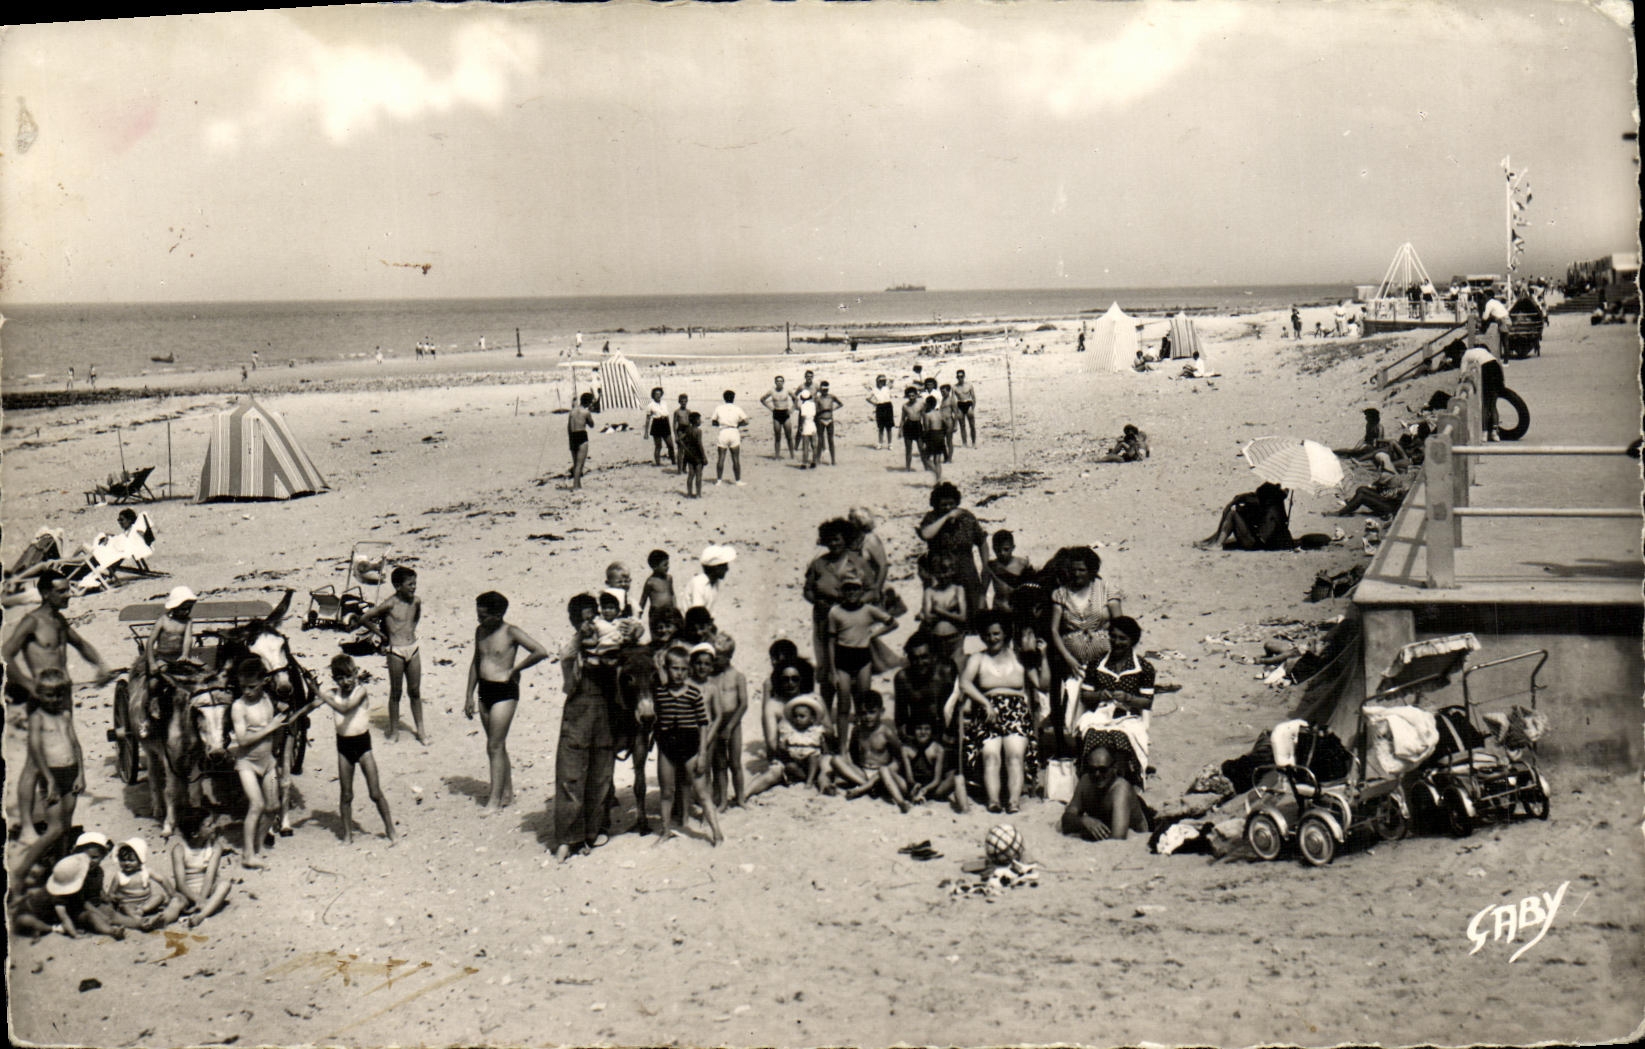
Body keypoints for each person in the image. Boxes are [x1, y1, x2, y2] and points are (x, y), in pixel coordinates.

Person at [3, 569, 111, 844]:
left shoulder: (58, 620)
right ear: (46, 593)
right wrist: (29, 686)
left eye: (67, 589)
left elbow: (80, 643)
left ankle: (60, 822)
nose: (68, 595)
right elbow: (6, 654)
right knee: (34, 761)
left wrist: (99, 664)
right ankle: (28, 827)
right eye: (62, 591)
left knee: (65, 747)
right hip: (41, 697)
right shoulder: (32, 621)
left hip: (62, 695)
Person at [952, 610, 1048, 814]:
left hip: (1016, 713)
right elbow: (965, 683)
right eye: (987, 635)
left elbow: (1042, 685)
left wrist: (1044, 656)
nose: (991, 638)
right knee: (991, 756)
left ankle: (1013, 802)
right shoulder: (978, 658)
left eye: (996, 633)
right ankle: (994, 801)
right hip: (988, 713)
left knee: (1014, 755)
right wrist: (985, 703)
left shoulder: (1019, 657)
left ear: (1005, 634)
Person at [552, 594, 623, 859]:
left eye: (592, 618)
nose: (588, 625)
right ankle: (567, 837)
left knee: (601, 773)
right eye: (582, 621)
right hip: (578, 712)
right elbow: (569, 686)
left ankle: (593, 831)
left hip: (605, 712)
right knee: (570, 774)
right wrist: (579, 654)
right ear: (572, 621)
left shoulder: (610, 640)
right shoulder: (570, 648)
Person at [466, 591, 548, 816]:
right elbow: (476, 661)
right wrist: (468, 695)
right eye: (478, 614)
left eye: (483, 616)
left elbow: (541, 651)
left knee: (493, 745)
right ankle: (507, 793)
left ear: (499, 614)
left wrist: (515, 669)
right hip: (484, 689)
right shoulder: (480, 631)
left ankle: (494, 800)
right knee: (497, 745)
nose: (479, 619)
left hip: (505, 691)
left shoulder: (511, 632)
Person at [312, 654, 396, 843]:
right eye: (340, 678)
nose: (346, 681)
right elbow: (311, 706)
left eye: (349, 676)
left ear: (356, 673)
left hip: (363, 746)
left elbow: (346, 709)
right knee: (346, 795)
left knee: (375, 793)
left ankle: (390, 829)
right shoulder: (333, 694)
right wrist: (306, 704)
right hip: (343, 747)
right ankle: (348, 835)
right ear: (335, 679)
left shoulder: (360, 692)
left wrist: (323, 696)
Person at [9, 669, 84, 880]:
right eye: (49, 695)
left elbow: (76, 745)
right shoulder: (37, 718)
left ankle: (60, 866)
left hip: (70, 773)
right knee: (55, 828)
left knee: (66, 825)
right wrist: (49, 780)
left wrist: (81, 775)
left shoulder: (65, 715)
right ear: (39, 696)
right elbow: (36, 749)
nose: (54, 700)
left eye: (59, 695)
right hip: (52, 776)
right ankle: (21, 870)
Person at [1047, 546, 1124, 746]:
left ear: (1091, 570)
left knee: (1105, 707)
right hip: (1075, 663)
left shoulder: (1106, 589)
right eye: (1073, 569)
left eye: (1082, 570)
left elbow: (1120, 624)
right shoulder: (1061, 594)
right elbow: (1054, 631)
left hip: (1104, 659)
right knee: (1074, 701)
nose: (1077, 574)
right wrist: (1069, 659)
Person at [1072, 615, 1155, 793]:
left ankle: (1121, 787)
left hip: (1127, 717)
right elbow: (1085, 696)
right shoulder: (1096, 664)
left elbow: (1147, 702)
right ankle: (1094, 787)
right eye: (1114, 636)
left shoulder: (1144, 668)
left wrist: (1128, 698)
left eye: (1122, 638)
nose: (1117, 642)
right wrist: (1100, 695)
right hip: (1100, 716)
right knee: (1094, 737)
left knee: (1120, 740)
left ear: (1133, 641)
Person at [652, 643, 724, 846]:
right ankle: (666, 831)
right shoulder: (660, 693)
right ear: (667, 669)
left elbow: (703, 724)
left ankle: (717, 833)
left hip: (691, 746)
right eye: (675, 668)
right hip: (667, 748)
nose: (680, 674)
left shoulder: (694, 694)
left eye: (684, 669)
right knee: (667, 792)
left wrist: (702, 753)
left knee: (702, 793)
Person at [230, 660, 299, 869]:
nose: (247, 691)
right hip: (247, 763)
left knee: (273, 807)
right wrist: (271, 727)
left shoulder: (267, 700)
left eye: (252, 687)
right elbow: (242, 740)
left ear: (264, 682)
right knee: (257, 805)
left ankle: (256, 847)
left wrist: (282, 710)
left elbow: (277, 715)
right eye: (243, 687)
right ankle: (247, 854)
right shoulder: (238, 706)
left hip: (268, 762)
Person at [803, 519, 873, 715]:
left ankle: (859, 717)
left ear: (846, 540)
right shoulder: (819, 564)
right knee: (826, 672)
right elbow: (807, 590)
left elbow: (873, 591)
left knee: (854, 672)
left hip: (851, 623)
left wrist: (853, 603)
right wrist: (816, 602)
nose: (834, 544)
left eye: (838, 540)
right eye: (830, 540)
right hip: (824, 623)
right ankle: (825, 717)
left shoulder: (858, 562)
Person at [827, 576, 898, 757]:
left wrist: (873, 635)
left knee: (863, 703)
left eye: (855, 589)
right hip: (843, 658)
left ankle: (861, 742)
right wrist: (832, 670)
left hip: (862, 659)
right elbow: (831, 641)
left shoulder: (868, 610)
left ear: (861, 591)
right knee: (843, 705)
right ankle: (843, 746)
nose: (851, 593)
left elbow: (893, 622)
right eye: (848, 589)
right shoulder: (835, 612)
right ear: (843, 592)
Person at [360, 566, 427, 745]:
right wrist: (381, 634)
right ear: (398, 586)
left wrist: (410, 631)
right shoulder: (390, 604)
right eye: (410, 584)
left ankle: (420, 730)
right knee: (396, 692)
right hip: (395, 651)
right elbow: (364, 618)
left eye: (415, 583)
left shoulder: (416, 602)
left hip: (412, 647)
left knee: (415, 691)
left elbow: (415, 618)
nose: (414, 587)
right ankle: (394, 730)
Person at [916, 482, 991, 624]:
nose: (948, 507)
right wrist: (945, 518)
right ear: (936, 505)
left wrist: (986, 566)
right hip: (941, 566)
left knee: (975, 609)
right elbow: (926, 534)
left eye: (951, 504)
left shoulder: (967, 517)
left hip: (965, 563)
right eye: (944, 505)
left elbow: (981, 541)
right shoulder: (932, 518)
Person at [833, 692, 911, 811]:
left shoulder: (886, 732)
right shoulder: (857, 731)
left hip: (882, 775)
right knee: (836, 760)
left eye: (872, 712)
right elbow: (853, 753)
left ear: (882, 712)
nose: (867, 717)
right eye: (863, 713)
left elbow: (899, 757)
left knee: (884, 771)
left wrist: (885, 771)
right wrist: (858, 769)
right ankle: (867, 786)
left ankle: (867, 787)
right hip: (863, 773)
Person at [746, 693, 830, 797]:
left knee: (813, 758)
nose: (798, 719)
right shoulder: (789, 731)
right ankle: (802, 778)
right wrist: (785, 749)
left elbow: (824, 747)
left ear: (811, 719)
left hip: (811, 762)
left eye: (802, 716)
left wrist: (823, 752)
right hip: (795, 760)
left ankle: (811, 782)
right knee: (790, 766)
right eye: (795, 716)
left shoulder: (815, 731)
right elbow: (781, 746)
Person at [1060, 743, 1149, 842]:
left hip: (1141, 820)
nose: (1097, 774)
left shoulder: (1120, 791)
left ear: (1114, 768)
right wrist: (1084, 821)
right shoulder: (1086, 781)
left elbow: (1117, 839)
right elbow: (1066, 821)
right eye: (1092, 769)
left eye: (1103, 770)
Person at [168, 812, 233, 927]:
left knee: (225, 885)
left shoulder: (215, 847)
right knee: (175, 904)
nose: (214, 827)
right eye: (209, 825)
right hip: (186, 892)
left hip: (207, 889)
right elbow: (181, 883)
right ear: (194, 833)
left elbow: (209, 877)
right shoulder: (179, 850)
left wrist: (202, 899)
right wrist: (195, 898)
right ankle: (162, 919)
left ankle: (200, 916)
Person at [708, 633, 748, 810]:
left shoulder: (738, 676)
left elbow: (744, 704)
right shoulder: (710, 677)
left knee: (735, 763)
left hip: (733, 722)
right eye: (713, 657)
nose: (715, 661)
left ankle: (740, 798)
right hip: (716, 723)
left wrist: (731, 726)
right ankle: (723, 800)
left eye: (718, 657)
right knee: (719, 764)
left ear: (729, 656)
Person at [1196, 482, 1293, 551]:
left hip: (1255, 543)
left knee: (1233, 513)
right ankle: (1213, 540)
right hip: (1264, 542)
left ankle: (1217, 544)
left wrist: (1237, 502)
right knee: (1237, 512)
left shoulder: (1269, 501)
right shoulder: (1277, 504)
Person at [106, 837, 174, 930]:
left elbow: (162, 880)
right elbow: (110, 894)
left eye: (131, 860)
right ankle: (141, 921)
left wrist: (171, 894)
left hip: (146, 903)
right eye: (123, 860)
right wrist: (116, 898)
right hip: (129, 903)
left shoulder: (146, 872)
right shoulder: (119, 876)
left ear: (140, 860)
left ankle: (142, 912)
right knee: (125, 908)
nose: (127, 863)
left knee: (159, 897)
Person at [918, 554, 969, 674]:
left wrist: (940, 611)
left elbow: (963, 617)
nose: (944, 576)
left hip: (955, 637)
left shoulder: (958, 589)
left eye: (946, 571)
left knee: (958, 669)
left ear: (953, 571)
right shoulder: (929, 591)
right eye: (940, 572)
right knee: (938, 671)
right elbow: (928, 618)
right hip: (936, 638)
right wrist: (951, 612)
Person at [904, 719, 958, 806]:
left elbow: (937, 780)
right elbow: (909, 777)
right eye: (919, 728)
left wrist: (925, 789)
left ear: (932, 730)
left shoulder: (938, 749)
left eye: (927, 729)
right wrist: (915, 784)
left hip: (933, 788)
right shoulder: (906, 749)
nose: (923, 732)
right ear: (913, 730)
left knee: (956, 775)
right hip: (914, 786)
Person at [1462, 342, 1506, 440]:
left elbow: (1463, 375)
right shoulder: (1484, 351)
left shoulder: (1465, 355)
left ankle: (1484, 433)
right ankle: (1495, 433)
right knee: (1493, 404)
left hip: (1486, 369)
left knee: (1485, 404)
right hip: (1496, 368)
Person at [985, 530, 1033, 620]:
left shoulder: (1022, 564)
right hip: (999, 608)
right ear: (993, 549)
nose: (1002, 553)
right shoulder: (991, 566)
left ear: (1013, 547)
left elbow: (1030, 589)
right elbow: (982, 592)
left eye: (1006, 549)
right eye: (998, 550)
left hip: (1019, 609)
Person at [847, 507, 889, 602]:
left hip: (871, 588)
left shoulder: (871, 540)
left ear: (861, 521)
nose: (848, 522)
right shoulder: (850, 539)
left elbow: (883, 566)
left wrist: (877, 589)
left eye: (852, 519)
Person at [709, 390, 750, 486]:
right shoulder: (737, 408)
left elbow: (713, 422)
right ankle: (738, 480)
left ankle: (719, 480)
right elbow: (746, 421)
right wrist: (738, 424)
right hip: (734, 431)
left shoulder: (719, 408)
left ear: (724, 398)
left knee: (721, 458)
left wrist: (720, 424)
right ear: (733, 398)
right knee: (735, 458)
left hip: (723, 432)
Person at [684, 544, 735, 613]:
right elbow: (698, 613)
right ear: (715, 567)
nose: (727, 569)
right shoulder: (699, 583)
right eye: (724, 566)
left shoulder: (715, 582)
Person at [638, 549, 677, 635]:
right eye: (665, 565)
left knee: (670, 632)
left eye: (668, 564)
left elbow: (672, 594)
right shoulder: (650, 582)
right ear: (655, 567)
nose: (668, 567)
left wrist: (675, 607)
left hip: (668, 611)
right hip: (655, 612)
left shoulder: (669, 578)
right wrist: (638, 615)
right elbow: (643, 599)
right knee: (657, 633)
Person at [759, 376, 797, 459]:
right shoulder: (772, 391)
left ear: (783, 382)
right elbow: (762, 399)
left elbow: (796, 399)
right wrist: (771, 408)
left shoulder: (787, 390)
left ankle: (792, 455)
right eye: (777, 381)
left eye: (781, 381)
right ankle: (777, 455)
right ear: (775, 382)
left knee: (789, 436)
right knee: (777, 436)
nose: (779, 383)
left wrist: (792, 409)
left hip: (785, 413)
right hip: (777, 413)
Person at [568, 392, 596, 490]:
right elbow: (592, 425)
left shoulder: (572, 412)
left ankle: (578, 485)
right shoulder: (586, 412)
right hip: (581, 435)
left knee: (576, 464)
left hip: (572, 435)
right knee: (580, 465)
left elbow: (568, 427)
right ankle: (576, 486)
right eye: (591, 402)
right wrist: (590, 414)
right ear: (588, 402)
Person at [813, 381, 844, 466]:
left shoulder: (831, 397)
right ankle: (818, 459)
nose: (825, 391)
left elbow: (840, 404)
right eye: (823, 389)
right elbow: (814, 409)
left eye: (826, 389)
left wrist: (832, 409)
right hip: (820, 419)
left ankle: (833, 460)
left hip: (830, 419)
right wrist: (821, 411)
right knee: (820, 440)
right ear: (820, 389)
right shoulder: (818, 398)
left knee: (831, 440)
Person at [644, 387, 676, 467]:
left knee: (670, 445)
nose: (658, 396)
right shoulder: (650, 405)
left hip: (665, 423)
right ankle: (658, 463)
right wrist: (646, 432)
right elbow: (648, 419)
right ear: (653, 395)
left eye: (659, 394)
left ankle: (673, 461)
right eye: (656, 394)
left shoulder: (664, 403)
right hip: (657, 424)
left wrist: (669, 427)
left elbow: (667, 415)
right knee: (658, 446)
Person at [679, 411, 707, 497]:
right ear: (696, 421)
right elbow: (699, 444)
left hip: (689, 454)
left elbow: (679, 439)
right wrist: (704, 457)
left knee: (691, 474)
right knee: (698, 475)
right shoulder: (698, 431)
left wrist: (685, 448)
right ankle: (698, 494)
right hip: (697, 454)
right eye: (699, 419)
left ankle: (689, 493)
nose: (700, 421)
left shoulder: (687, 430)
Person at [866, 375, 896, 450]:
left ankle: (890, 444)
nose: (882, 382)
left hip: (888, 406)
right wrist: (874, 403)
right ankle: (880, 443)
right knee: (881, 427)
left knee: (889, 427)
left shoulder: (887, 388)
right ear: (877, 381)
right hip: (880, 407)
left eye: (883, 381)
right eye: (880, 381)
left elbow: (892, 381)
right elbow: (868, 398)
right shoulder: (874, 389)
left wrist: (890, 380)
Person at [899, 386, 924, 472]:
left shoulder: (921, 404)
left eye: (913, 395)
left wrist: (926, 428)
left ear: (916, 395)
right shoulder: (905, 406)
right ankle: (908, 468)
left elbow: (924, 417)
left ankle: (926, 467)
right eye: (909, 396)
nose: (911, 397)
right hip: (908, 426)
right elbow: (902, 419)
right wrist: (900, 430)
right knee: (908, 448)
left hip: (918, 425)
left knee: (921, 448)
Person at [952, 369, 977, 447]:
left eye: (961, 376)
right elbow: (953, 399)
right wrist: (955, 410)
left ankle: (973, 442)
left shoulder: (969, 385)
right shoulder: (954, 387)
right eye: (958, 377)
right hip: (960, 404)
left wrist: (972, 408)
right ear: (956, 377)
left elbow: (973, 397)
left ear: (964, 376)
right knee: (962, 425)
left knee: (972, 425)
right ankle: (964, 442)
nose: (960, 378)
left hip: (968, 403)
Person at [797, 388, 819, 468]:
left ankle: (804, 463)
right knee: (814, 445)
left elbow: (803, 417)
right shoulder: (813, 404)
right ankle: (814, 461)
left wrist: (800, 426)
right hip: (812, 425)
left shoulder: (803, 406)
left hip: (806, 426)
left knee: (805, 446)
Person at [671, 394, 693, 475]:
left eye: (685, 401)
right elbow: (674, 424)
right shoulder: (677, 412)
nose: (683, 403)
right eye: (682, 401)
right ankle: (679, 469)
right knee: (680, 451)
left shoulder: (688, 412)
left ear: (687, 402)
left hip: (687, 431)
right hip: (680, 431)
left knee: (687, 452)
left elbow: (690, 423)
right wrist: (676, 435)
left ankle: (684, 468)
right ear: (679, 402)